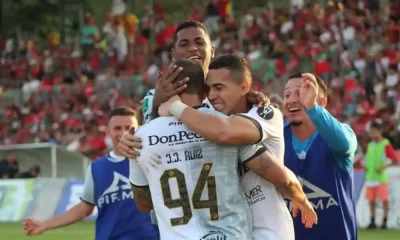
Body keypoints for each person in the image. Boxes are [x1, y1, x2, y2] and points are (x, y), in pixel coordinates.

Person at [130, 59, 316, 240]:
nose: (212, 96)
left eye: (219, 88)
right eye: (209, 89)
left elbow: (224, 131)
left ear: (244, 88)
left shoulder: (261, 113)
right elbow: (281, 176)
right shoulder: (210, 121)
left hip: (268, 232)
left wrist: (173, 107)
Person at [23, 106, 159, 240]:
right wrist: (45, 224)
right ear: (107, 131)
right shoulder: (97, 168)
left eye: (128, 128)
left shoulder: (151, 159)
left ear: (139, 129)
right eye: (117, 128)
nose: (123, 133)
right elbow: (84, 208)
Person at [283, 73, 358, 240]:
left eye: (301, 93)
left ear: (321, 103)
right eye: (287, 95)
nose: (292, 100)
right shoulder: (276, 140)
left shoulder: (339, 136)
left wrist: (312, 109)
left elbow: (345, 144)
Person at [364, 120, 398, 229]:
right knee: (371, 200)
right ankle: (372, 220)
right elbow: (368, 159)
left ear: (380, 131)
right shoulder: (370, 145)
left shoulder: (385, 144)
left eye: (374, 131)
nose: (372, 134)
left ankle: (384, 220)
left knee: (384, 200)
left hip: (381, 177)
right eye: (370, 132)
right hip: (370, 177)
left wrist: (383, 166)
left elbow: (394, 159)